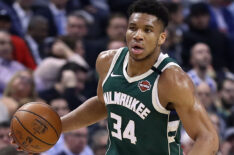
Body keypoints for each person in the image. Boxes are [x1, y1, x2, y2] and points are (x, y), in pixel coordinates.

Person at [11, 0, 219, 154]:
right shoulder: (107, 61)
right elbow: (104, 104)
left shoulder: (172, 79)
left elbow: (208, 137)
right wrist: (54, 128)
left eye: (147, 30)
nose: (137, 35)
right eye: (133, 28)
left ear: (161, 38)